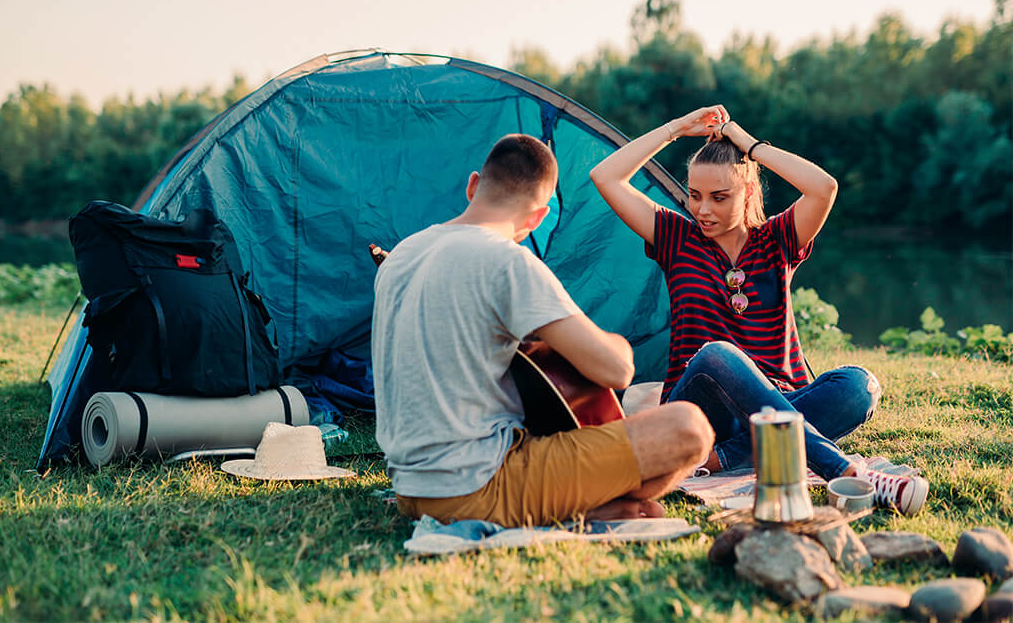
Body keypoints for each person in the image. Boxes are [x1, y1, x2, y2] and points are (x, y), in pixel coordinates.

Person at [590, 106, 929, 516]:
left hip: (777, 400)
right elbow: (605, 176)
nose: (703, 210)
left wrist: (748, 144)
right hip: (701, 409)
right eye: (694, 196)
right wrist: (677, 129)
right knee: (719, 354)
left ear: (747, 192)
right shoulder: (676, 238)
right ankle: (846, 471)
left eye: (719, 197)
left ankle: (721, 461)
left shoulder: (776, 240)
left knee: (859, 386)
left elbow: (824, 187)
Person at [372, 134, 714, 527]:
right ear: (539, 216)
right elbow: (615, 372)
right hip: (476, 487)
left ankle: (592, 505)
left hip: (410, 487)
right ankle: (584, 508)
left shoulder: (402, 254)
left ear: (472, 186)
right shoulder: (506, 260)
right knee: (690, 429)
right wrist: (618, 343)